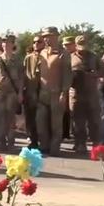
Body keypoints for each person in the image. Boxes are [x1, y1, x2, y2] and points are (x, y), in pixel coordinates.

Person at [35, 26, 72, 155]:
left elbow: (67, 75)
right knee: (41, 122)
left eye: (48, 36)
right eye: (44, 37)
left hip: (56, 93)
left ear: (56, 37)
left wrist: (64, 93)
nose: (46, 39)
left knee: (56, 124)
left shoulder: (63, 54)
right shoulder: (42, 53)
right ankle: (44, 145)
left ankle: (55, 147)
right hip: (43, 92)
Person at [0, 34, 24, 151]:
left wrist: (20, 93)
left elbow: (22, 78)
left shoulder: (18, 60)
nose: (5, 44)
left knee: (10, 117)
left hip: (12, 91)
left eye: (8, 42)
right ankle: (1, 141)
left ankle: (11, 141)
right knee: (0, 116)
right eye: (4, 42)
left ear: (13, 44)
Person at [68, 35, 103, 153]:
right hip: (76, 93)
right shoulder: (70, 58)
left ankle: (96, 144)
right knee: (78, 121)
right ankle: (80, 143)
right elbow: (65, 74)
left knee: (94, 120)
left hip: (91, 93)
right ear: (75, 45)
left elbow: (103, 71)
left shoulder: (94, 57)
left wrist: (93, 74)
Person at [23, 35, 46, 149]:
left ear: (44, 43)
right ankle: (33, 141)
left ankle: (45, 142)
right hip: (30, 91)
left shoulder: (47, 57)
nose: (36, 44)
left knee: (43, 118)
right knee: (30, 118)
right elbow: (24, 74)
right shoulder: (28, 58)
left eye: (39, 42)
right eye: (34, 42)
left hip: (44, 90)